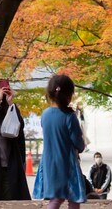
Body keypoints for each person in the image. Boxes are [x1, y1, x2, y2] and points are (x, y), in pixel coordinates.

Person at [32, 74, 87, 209]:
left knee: (55, 199)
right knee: (73, 198)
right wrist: (81, 146)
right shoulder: (69, 116)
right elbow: (78, 142)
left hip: (49, 162)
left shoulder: (45, 114)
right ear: (69, 95)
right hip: (66, 161)